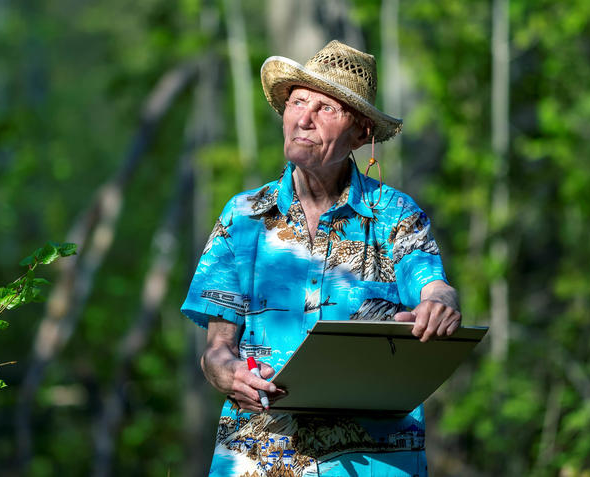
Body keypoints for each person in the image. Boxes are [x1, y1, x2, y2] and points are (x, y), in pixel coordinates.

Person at [181, 40, 461, 477]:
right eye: (297, 102)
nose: (304, 118)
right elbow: (217, 349)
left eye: (327, 108)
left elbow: (432, 282)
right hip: (259, 457)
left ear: (362, 133)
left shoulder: (395, 215)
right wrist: (227, 373)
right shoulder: (243, 217)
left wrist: (440, 302)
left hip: (372, 461)